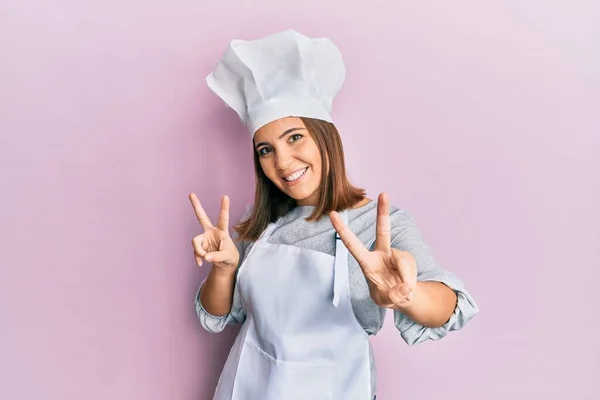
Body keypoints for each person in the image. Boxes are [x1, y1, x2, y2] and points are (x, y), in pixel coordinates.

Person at [191, 29, 478, 400]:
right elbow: (217, 318)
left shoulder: (377, 224)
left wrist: (407, 296)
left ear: (325, 137)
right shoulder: (259, 227)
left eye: (295, 137)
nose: (282, 162)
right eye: (265, 149)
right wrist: (225, 268)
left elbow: (448, 306)